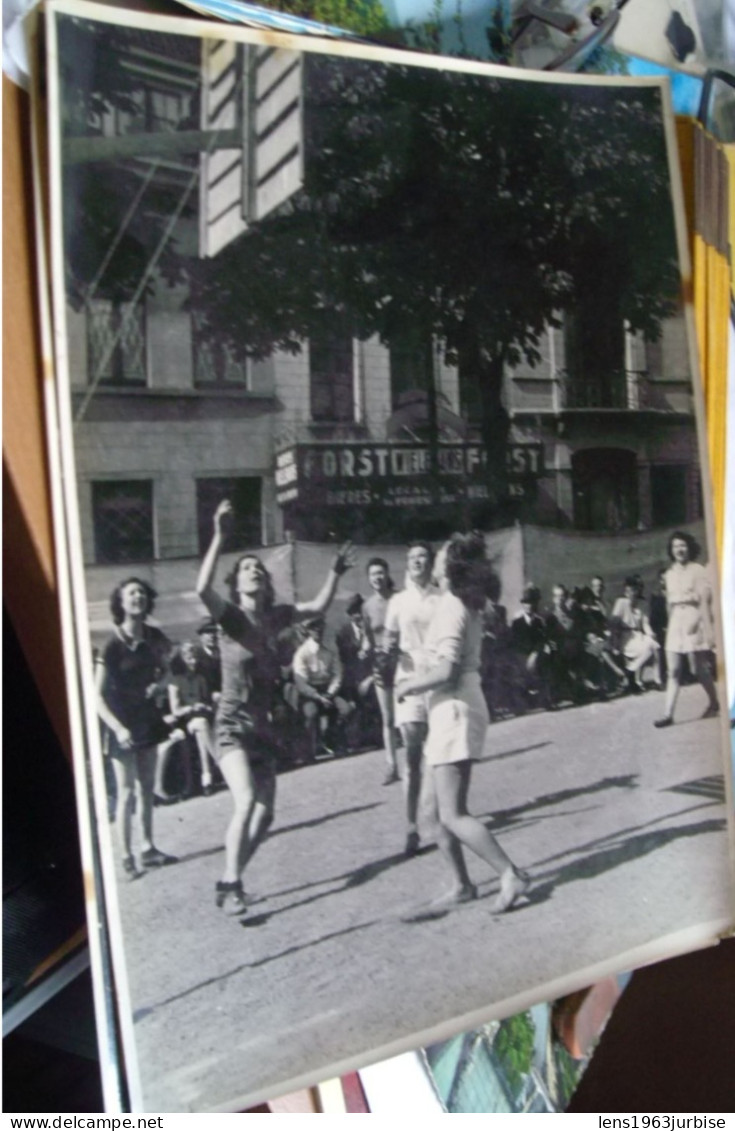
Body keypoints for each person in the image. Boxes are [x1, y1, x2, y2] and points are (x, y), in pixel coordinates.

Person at [196, 499, 354, 915]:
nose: (255, 571)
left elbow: (317, 607)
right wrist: (219, 535)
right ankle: (230, 885)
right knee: (245, 802)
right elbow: (199, 589)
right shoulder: (230, 617)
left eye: (260, 570)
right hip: (231, 724)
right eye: (248, 568)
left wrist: (335, 574)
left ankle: (230, 880)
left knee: (265, 816)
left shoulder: (279, 615)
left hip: (263, 727)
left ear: (267, 584)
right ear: (238, 583)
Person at [397, 533, 530, 912]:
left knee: (453, 813)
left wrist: (409, 685)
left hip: (454, 707)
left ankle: (510, 874)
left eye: (439, 557)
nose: (434, 561)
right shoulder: (457, 603)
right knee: (433, 812)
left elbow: (448, 671)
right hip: (450, 708)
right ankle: (461, 885)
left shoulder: (454, 605)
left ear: (451, 566)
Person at [95, 577, 178, 877]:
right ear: (120, 602)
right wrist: (117, 729)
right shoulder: (112, 644)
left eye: (142, 592)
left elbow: (170, 671)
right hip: (122, 725)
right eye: (132, 593)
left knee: (147, 788)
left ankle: (148, 848)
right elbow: (96, 696)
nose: (138, 597)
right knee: (126, 792)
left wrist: (160, 685)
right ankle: (126, 857)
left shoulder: (155, 637)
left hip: (147, 721)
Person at [382, 542, 441, 856]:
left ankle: (442, 818)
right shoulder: (398, 601)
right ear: (406, 564)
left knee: (440, 754)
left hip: (438, 680)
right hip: (408, 682)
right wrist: (387, 652)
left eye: (424, 557)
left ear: (431, 564)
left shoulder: (442, 598)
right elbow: (388, 641)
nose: (418, 561)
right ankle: (410, 826)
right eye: (413, 557)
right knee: (413, 757)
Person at [654, 531, 719, 728]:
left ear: (689, 548)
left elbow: (705, 601)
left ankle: (715, 702)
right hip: (676, 622)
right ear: (671, 551)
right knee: (673, 670)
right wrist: (670, 625)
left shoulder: (698, 570)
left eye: (682, 546)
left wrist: (698, 621)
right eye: (675, 547)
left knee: (699, 669)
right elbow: (668, 603)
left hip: (694, 618)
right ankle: (667, 714)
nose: (679, 550)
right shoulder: (669, 574)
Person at [292, 613, 352, 760]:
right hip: (310, 692)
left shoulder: (331, 647)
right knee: (310, 713)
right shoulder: (302, 653)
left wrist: (330, 693)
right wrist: (317, 696)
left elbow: (338, 673)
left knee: (345, 709)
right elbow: (301, 683)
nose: (318, 631)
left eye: (320, 627)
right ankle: (309, 751)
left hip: (329, 689)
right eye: (313, 628)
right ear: (307, 631)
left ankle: (333, 741)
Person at [362, 558, 400, 785]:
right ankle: (392, 765)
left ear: (387, 574)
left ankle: (421, 759)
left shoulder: (399, 599)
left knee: (409, 715)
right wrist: (366, 649)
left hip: (403, 661)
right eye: (373, 574)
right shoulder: (366, 606)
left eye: (380, 573)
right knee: (388, 717)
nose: (377, 578)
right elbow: (368, 638)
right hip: (380, 664)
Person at [168, 640, 217, 795]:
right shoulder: (175, 681)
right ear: (183, 659)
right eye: (190, 658)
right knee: (201, 724)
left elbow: (209, 703)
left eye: (195, 657)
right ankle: (219, 762)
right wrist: (191, 708)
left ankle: (206, 779)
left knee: (202, 731)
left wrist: (205, 707)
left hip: (203, 719)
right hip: (185, 722)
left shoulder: (201, 678)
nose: (194, 661)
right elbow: (175, 711)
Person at [336, 594, 380, 749]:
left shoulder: (372, 628)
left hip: (371, 677)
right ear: (349, 615)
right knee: (352, 704)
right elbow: (345, 663)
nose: (359, 615)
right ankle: (356, 737)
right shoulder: (343, 633)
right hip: (353, 680)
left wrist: (369, 678)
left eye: (361, 610)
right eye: (355, 612)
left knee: (375, 693)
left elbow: (377, 657)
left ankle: (377, 735)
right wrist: (355, 684)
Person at [610, 576, 659, 694]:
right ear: (625, 591)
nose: (630, 593)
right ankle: (631, 674)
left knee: (654, 645)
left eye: (633, 590)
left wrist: (650, 634)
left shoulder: (643, 604)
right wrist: (615, 642)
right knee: (650, 647)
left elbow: (646, 624)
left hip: (638, 635)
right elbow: (614, 623)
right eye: (628, 591)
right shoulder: (620, 602)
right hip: (624, 637)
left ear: (637, 591)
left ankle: (630, 671)